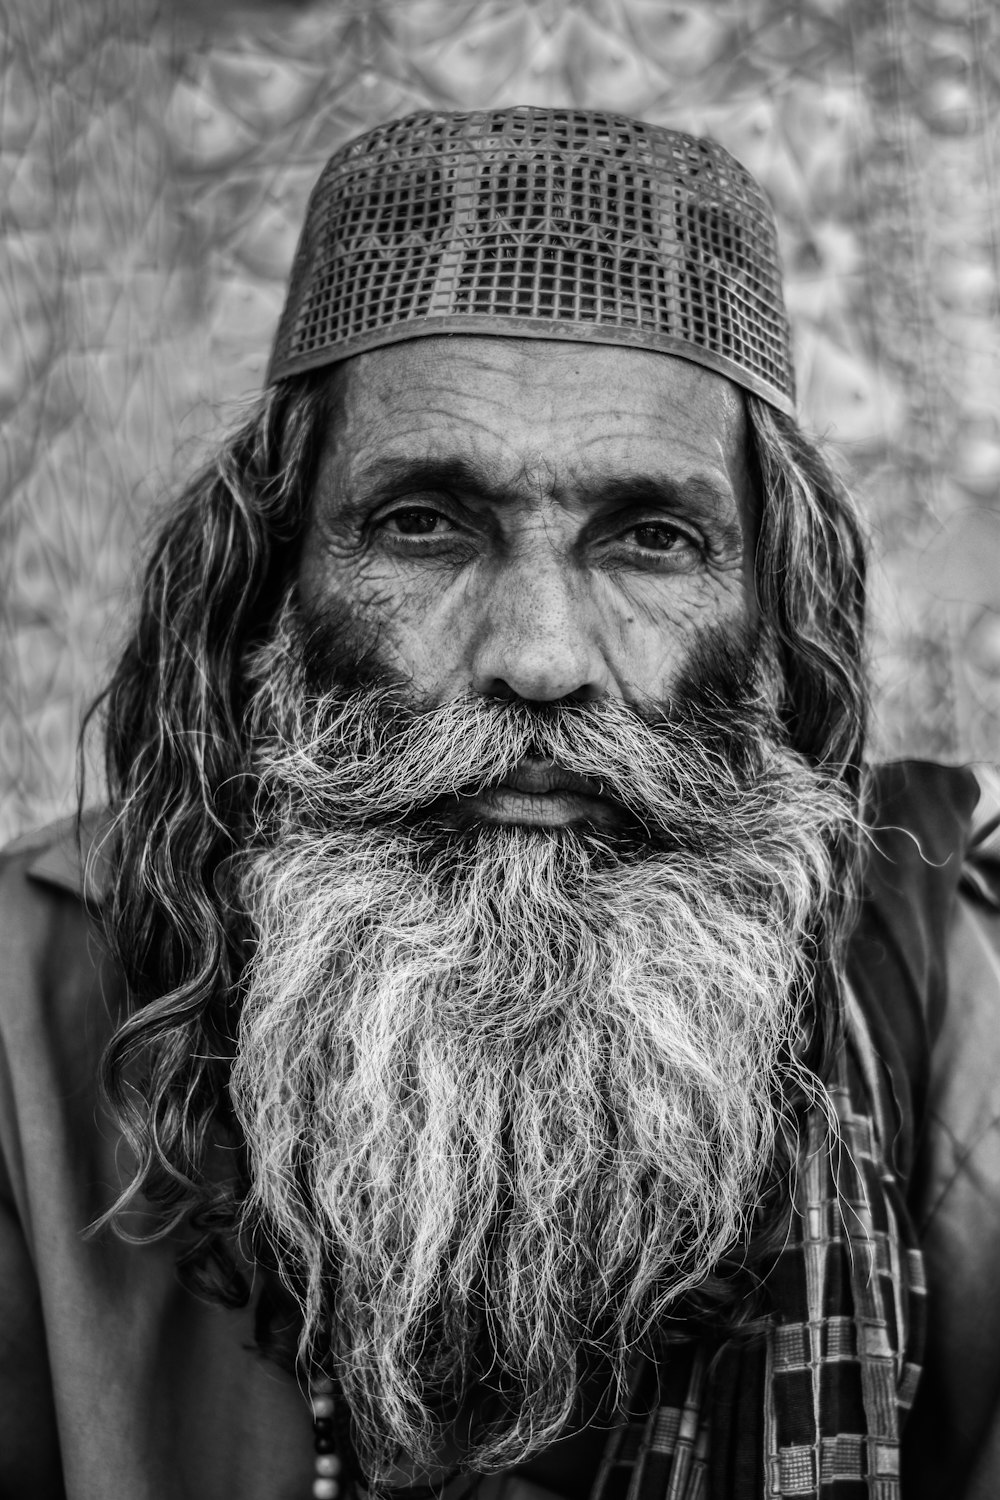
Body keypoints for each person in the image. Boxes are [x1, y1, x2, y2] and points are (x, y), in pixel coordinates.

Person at [0, 106, 998, 1500]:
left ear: (773, 606)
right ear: (274, 579)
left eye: (650, 539)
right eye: (424, 522)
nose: (537, 655)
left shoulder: (958, 982)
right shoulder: (18, 1006)